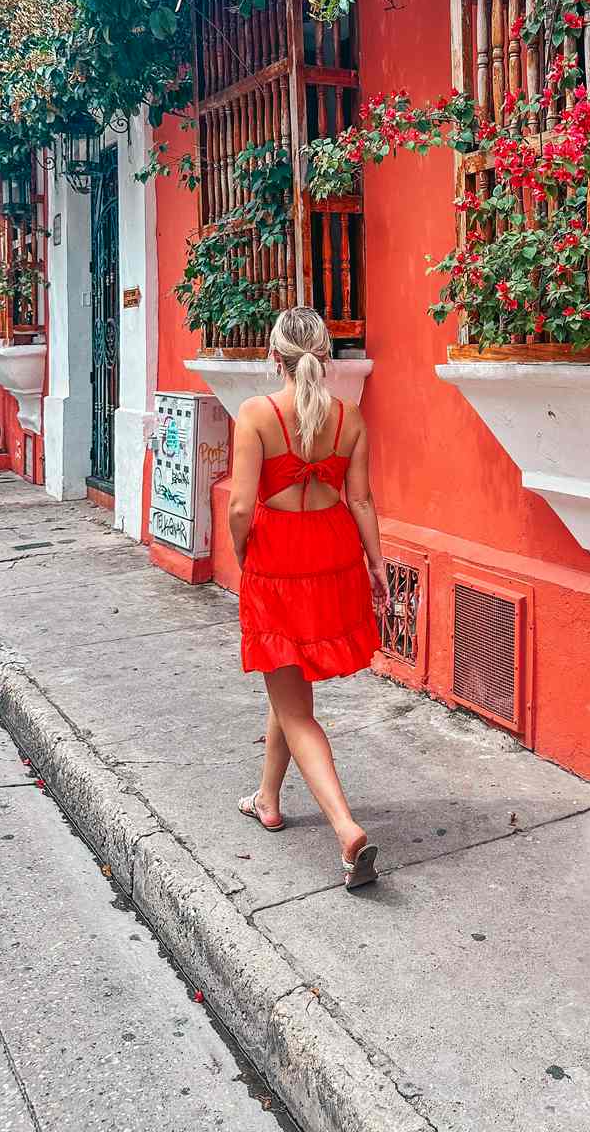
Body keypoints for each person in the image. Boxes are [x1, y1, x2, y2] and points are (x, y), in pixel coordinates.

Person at [227, 306, 386, 889]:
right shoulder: (350, 418)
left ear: (275, 358)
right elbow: (363, 500)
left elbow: (242, 507)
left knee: (294, 708)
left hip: (280, 559)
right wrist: (376, 563)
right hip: (334, 557)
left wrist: (245, 557)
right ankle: (268, 798)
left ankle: (345, 828)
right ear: (323, 355)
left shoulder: (257, 414)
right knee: (286, 675)